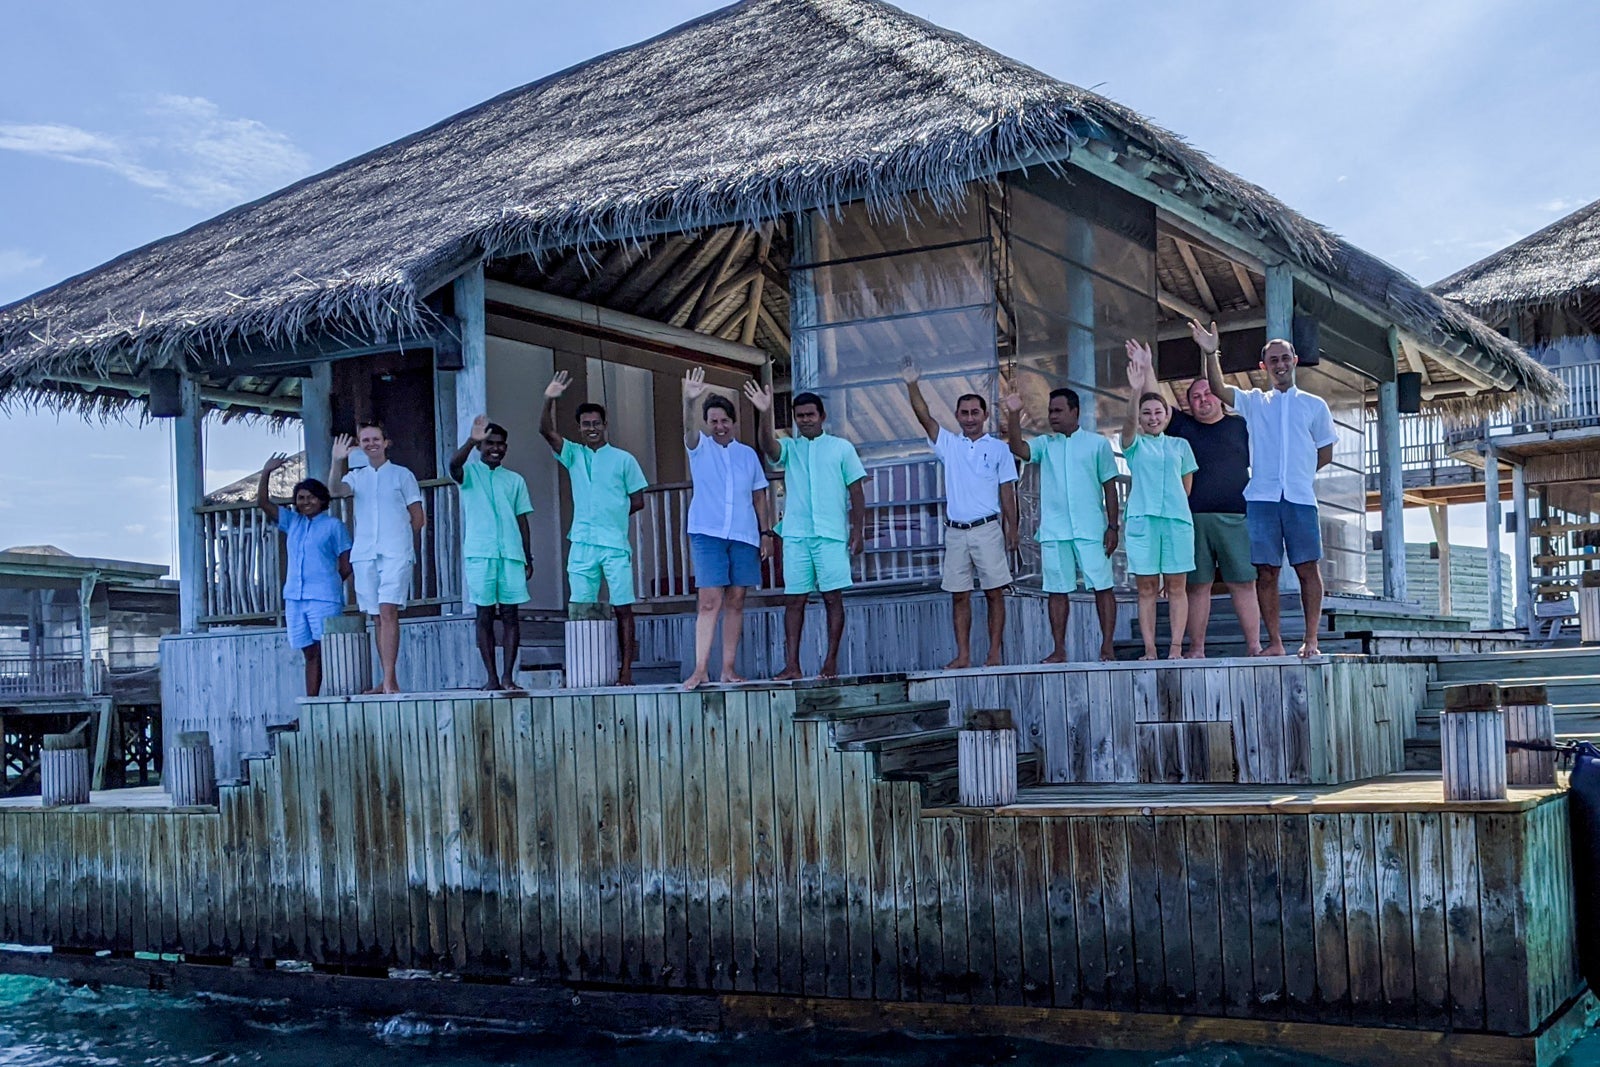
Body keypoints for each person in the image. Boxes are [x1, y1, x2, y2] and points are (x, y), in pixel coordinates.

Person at [1197, 321, 1337, 657]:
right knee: (1266, 571)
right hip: (1261, 499)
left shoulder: (1315, 405)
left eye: (1284, 358)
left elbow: (1326, 450)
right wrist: (1209, 351)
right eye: (1273, 360)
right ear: (1264, 366)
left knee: (1307, 568)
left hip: (1300, 499)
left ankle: (1311, 640)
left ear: (1295, 360)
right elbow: (1218, 389)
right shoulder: (1255, 401)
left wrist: (1300, 475)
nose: (1280, 364)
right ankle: (1274, 642)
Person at [1127, 343, 1261, 657]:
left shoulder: (1241, 425)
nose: (1202, 400)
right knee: (1196, 585)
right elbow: (1154, 402)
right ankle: (1196, 648)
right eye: (1195, 397)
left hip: (1235, 515)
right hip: (1192, 518)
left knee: (1243, 582)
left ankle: (1255, 646)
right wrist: (1146, 368)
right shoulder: (1182, 429)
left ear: (1219, 396)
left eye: (1207, 393)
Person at [902, 360, 1018, 668]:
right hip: (955, 531)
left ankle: (994, 653)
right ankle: (964, 655)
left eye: (975, 412)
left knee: (995, 593)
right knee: (959, 595)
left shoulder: (999, 449)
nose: (969, 418)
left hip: (988, 529)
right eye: (964, 413)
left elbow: (1008, 491)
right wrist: (912, 383)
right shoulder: (949, 445)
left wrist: (1013, 529)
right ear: (957, 415)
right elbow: (923, 416)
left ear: (985, 415)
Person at [748, 383, 868, 680]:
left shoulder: (842, 448)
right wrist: (764, 413)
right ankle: (792, 665)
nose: (805, 419)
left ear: (822, 416)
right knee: (794, 600)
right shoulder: (791, 448)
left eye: (810, 414)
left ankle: (830, 662)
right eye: (799, 416)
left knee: (832, 598)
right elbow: (768, 445)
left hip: (830, 534)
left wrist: (859, 531)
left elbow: (857, 492)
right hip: (796, 534)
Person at [541, 371, 650, 685]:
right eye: (585, 424)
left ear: (605, 425)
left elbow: (638, 500)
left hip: (614, 544)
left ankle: (625, 670)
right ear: (580, 428)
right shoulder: (573, 454)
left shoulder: (624, 459)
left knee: (623, 608)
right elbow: (545, 430)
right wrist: (549, 397)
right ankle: (587, 671)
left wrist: (613, 514)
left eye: (596, 423)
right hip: (582, 542)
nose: (591, 428)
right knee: (582, 608)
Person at [1003, 386, 1121, 663]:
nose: (1052, 416)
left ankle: (1107, 647)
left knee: (1103, 587)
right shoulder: (1046, 444)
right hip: (1055, 530)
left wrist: (1113, 526)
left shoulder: (1097, 444)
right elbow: (1017, 448)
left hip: (1091, 529)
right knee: (1057, 590)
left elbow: (1110, 487)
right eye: (1050, 411)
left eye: (1058, 411)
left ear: (1075, 412)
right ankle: (1058, 649)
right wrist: (1013, 413)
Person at [681, 367, 772, 690]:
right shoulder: (699, 446)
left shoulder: (747, 455)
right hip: (707, 532)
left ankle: (728, 668)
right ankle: (701, 668)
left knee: (736, 599)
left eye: (725, 421)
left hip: (745, 534)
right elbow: (689, 430)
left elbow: (760, 496)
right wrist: (690, 401)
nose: (719, 426)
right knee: (709, 600)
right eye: (714, 421)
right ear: (707, 423)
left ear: (733, 423)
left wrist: (766, 533)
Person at [329, 423, 424, 694]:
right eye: (365, 440)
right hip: (365, 553)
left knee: (388, 611)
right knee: (377, 617)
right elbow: (335, 490)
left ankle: (391, 680)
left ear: (386, 442)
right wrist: (337, 461)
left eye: (376, 439)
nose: (371, 443)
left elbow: (418, 516)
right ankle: (385, 680)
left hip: (395, 552)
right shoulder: (357, 477)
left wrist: (403, 543)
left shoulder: (402, 475)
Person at [1121, 342, 1199, 660]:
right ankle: (1150, 648)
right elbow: (1126, 429)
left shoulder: (1181, 446)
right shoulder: (1134, 444)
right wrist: (1135, 392)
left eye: (1158, 413)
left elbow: (1187, 487)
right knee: (1147, 588)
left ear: (1167, 416)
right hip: (1143, 521)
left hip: (1177, 522)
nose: (1153, 418)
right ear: (1140, 418)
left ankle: (1176, 648)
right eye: (1146, 414)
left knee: (1178, 587)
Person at [449, 415, 534, 691]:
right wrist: (470, 439)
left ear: (506, 448)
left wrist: (528, 556)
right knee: (484, 616)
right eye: (489, 444)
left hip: (510, 554)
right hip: (480, 553)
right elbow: (453, 465)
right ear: (479, 447)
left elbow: (523, 520)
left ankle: (508, 677)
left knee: (511, 615)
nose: (495, 448)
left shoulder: (515, 480)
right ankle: (492, 678)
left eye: (500, 444)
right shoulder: (470, 474)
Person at [256, 453, 352, 696]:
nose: (305, 502)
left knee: (326, 649)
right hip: (295, 598)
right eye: (300, 498)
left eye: (310, 497)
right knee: (308, 651)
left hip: (323, 598)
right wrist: (266, 472)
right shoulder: (293, 522)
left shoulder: (333, 526)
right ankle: (312, 700)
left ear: (321, 500)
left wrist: (329, 584)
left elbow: (346, 563)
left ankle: (333, 696)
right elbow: (264, 503)